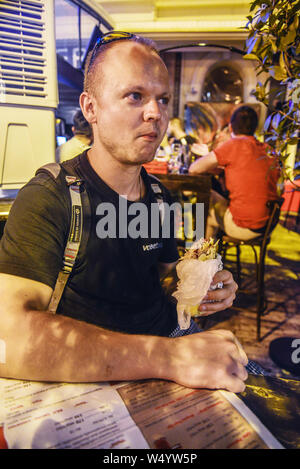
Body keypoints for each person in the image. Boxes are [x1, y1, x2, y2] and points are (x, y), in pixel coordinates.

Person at [0, 32, 249, 393]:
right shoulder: (50, 197)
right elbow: (7, 335)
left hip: (170, 336)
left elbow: (166, 278)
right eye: (135, 96)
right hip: (104, 373)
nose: (156, 113)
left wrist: (205, 286)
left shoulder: (162, 198)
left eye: (163, 99)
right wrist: (168, 357)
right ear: (91, 108)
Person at [189, 105, 280, 240]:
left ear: (230, 127)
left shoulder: (234, 144)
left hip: (243, 226)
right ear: (255, 128)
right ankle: (208, 253)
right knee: (214, 205)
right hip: (267, 224)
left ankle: (201, 255)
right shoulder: (268, 149)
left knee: (207, 197)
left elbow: (194, 169)